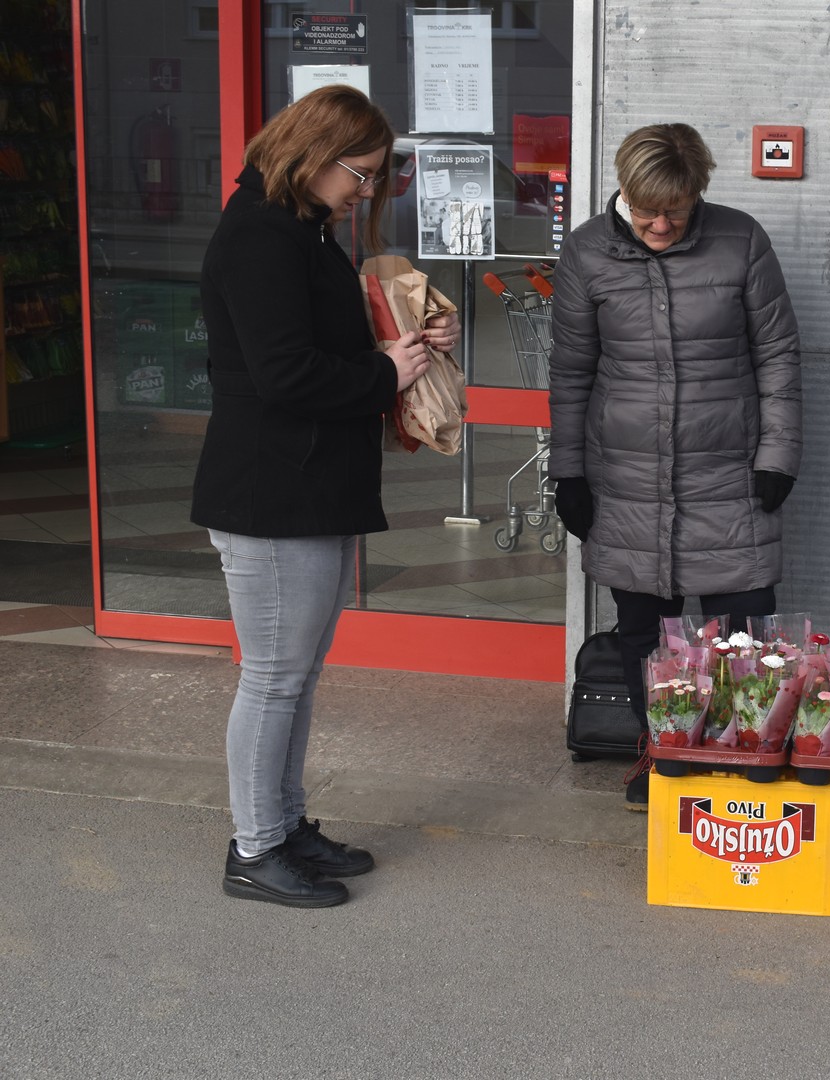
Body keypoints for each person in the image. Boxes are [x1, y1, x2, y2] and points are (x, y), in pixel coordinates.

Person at [191, 85, 461, 907]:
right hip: (273, 491)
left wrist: (411, 338)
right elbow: (285, 374)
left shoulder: (298, 228)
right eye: (361, 172)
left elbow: (320, 341)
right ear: (313, 152)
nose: (367, 190)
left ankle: (284, 825)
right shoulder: (259, 235)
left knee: (296, 676)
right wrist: (386, 373)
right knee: (274, 678)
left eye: (377, 176)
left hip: (307, 484)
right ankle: (255, 848)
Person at [546, 123, 803, 807]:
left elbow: (778, 356)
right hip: (626, 479)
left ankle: (742, 755)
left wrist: (778, 457)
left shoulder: (741, 240)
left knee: (744, 633)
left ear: (698, 194)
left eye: (677, 210)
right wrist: (568, 471)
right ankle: (662, 751)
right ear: (624, 192)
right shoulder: (587, 252)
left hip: (729, 476)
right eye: (646, 210)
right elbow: (571, 370)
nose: (660, 224)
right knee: (646, 634)